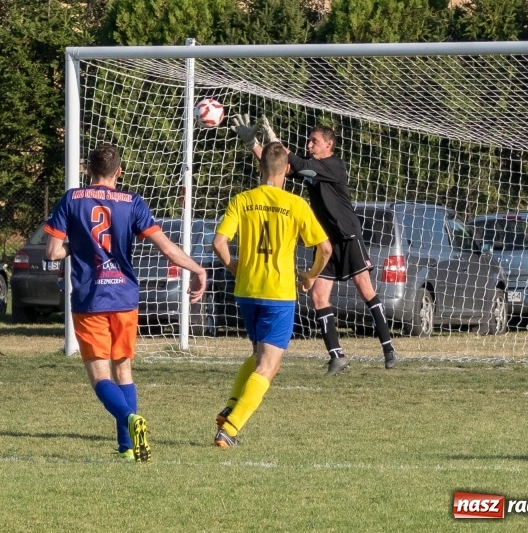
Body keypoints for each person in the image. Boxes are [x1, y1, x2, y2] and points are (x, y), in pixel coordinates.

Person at [44, 143, 207, 462]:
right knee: (124, 370)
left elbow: (52, 253)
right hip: (125, 296)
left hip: (91, 298)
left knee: (99, 375)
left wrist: (76, 246)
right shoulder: (133, 202)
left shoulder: (72, 199)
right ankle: (126, 448)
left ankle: (130, 420)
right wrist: (198, 268)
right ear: (119, 171)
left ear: (87, 170)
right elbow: (167, 248)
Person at [231, 115, 398, 374]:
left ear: (329, 145)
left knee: (365, 290)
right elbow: (275, 167)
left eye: (315, 141)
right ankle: (337, 356)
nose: (310, 145)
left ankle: (388, 348)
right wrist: (254, 144)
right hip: (325, 242)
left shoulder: (334, 166)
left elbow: (294, 161)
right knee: (318, 296)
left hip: (346, 237)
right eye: (309, 141)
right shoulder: (310, 168)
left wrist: (277, 142)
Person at [212, 141, 331, 448]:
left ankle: (231, 406)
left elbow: (219, 243)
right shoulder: (295, 204)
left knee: (258, 356)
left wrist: (234, 267)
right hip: (278, 292)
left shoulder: (242, 200)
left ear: (260, 167)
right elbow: (325, 248)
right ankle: (231, 429)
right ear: (287, 170)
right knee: (269, 364)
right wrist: (311, 275)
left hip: (247, 290)